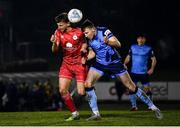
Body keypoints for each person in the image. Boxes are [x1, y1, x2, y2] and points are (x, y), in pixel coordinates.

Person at [81, 19, 163, 120]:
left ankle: (154, 107)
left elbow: (118, 44)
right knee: (87, 84)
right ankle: (96, 114)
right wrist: (85, 58)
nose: (85, 35)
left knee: (131, 86)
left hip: (114, 63)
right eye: (84, 33)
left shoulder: (104, 31)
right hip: (100, 63)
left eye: (86, 32)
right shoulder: (88, 39)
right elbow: (93, 52)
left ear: (93, 29)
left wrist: (109, 42)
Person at [50, 12, 88, 121]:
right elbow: (55, 50)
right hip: (66, 64)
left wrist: (84, 48)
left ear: (68, 23)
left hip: (79, 64)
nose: (58, 27)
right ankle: (75, 113)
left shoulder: (79, 32)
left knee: (81, 93)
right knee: (62, 90)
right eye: (58, 25)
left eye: (61, 25)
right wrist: (53, 43)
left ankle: (88, 87)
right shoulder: (57, 32)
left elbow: (85, 42)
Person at [124, 34, 157, 111]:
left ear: (145, 40)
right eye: (139, 38)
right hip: (133, 72)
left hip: (143, 73)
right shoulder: (133, 47)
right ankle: (134, 106)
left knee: (147, 89)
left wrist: (152, 69)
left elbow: (154, 59)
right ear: (137, 39)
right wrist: (124, 64)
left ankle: (150, 106)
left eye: (143, 38)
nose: (141, 40)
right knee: (131, 89)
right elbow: (128, 57)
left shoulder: (148, 48)